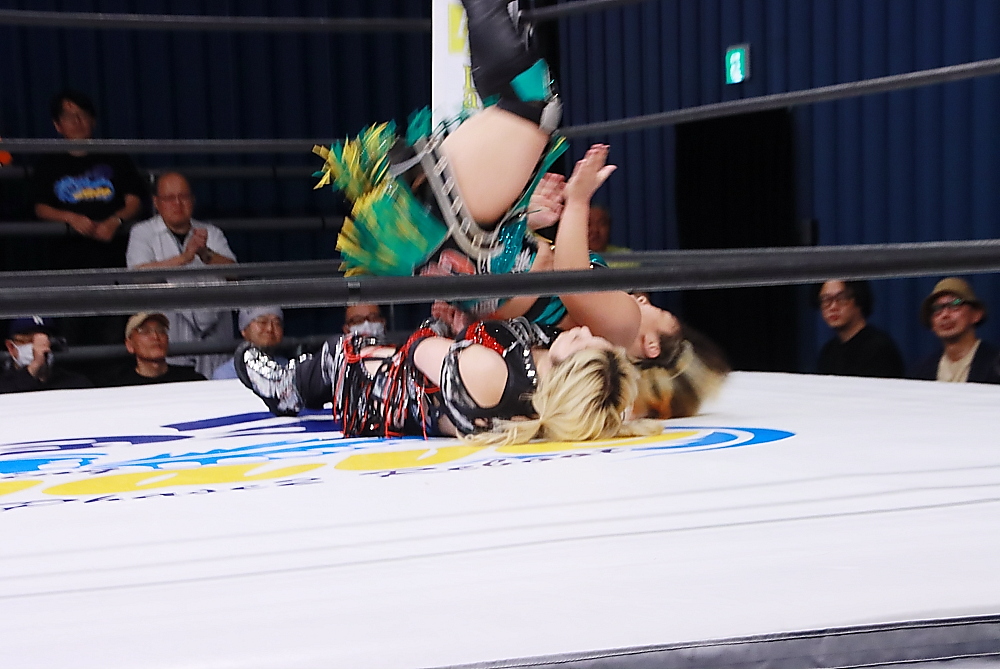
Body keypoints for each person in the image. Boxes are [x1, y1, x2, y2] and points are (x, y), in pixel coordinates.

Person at [311, 0, 728, 418]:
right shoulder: (572, 357)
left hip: (464, 241)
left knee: (532, 102)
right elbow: (536, 287)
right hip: (450, 247)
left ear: (651, 346)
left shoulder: (623, 327)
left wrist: (578, 201)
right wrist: (529, 221)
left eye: (661, 313)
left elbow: (569, 277)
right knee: (524, 106)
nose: (645, 301)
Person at [237, 316, 662, 445]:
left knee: (347, 353)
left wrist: (442, 325)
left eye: (585, 343)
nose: (584, 331)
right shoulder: (543, 387)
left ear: (569, 374)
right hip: (413, 387)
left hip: (378, 391)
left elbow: (419, 349)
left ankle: (289, 386)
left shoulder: (494, 374)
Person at [31, 90, 147, 349]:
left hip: (113, 263)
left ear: (93, 120)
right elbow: (39, 207)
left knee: (114, 336)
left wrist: (115, 221)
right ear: (57, 125)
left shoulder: (115, 157)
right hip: (68, 267)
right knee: (71, 337)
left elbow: (134, 200)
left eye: (82, 115)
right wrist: (70, 218)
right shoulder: (48, 163)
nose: (77, 121)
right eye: (69, 116)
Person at [127, 172, 237, 377]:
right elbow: (138, 276)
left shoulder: (211, 232)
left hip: (214, 340)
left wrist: (206, 254)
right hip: (170, 339)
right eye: (169, 198)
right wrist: (184, 258)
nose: (177, 203)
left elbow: (235, 274)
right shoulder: (143, 233)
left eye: (183, 197)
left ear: (193, 200)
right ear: (156, 202)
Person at [911, 278, 1000, 384]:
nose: (945, 315)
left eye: (955, 304)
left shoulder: (995, 363)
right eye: (936, 308)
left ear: (976, 314)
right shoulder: (920, 372)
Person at [814, 280, 904, 378]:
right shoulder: (829, 351)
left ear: (859, 299)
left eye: (841, 298)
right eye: (826, 300)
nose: (833, 307)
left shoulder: (879, 349)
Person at [99, 312, 206, 387]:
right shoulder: (118, 388)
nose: (155, 336)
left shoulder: (191, 381)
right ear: (129, 345)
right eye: (145, 331)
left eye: (161, 330)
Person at [0, 317, 91, 393]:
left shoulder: (76, 384)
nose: (38, 348)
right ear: (11, 347)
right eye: (29, 341)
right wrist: (33, 368)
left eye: (44, 342)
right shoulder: (4, 385)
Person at [213, 307, 285, 380]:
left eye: (277, 323)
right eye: (262, 322)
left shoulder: (286, 368)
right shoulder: (225, 374)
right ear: (244, 330)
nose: (270, 329)